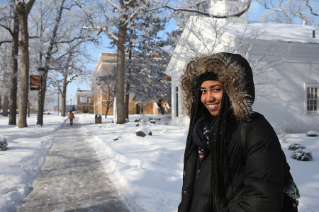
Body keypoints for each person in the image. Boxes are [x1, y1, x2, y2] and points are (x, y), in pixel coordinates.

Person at [178, 52, 288, 212]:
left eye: (216, 89)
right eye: (203, 91)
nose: (208, 98)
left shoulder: (253, 128)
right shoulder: (200, 132)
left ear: (233, 91)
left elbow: (263, 200)